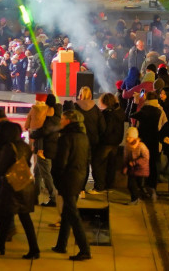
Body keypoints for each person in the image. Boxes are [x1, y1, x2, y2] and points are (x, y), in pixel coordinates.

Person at [0, 121, 39, 259]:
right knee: (24, 218)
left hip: (12, 187)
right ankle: (34, 249)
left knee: (5, 216)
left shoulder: (8, 147)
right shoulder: (25, 145)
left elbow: (1, 167)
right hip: (25, 185)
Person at [51, 110, 91, 261]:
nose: (61, 121)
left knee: (73, 215)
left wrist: (57, 179)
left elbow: (61, 162)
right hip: (79, 178)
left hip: (68, 179)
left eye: (63, 119)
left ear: (68, 121)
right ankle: (61, 244)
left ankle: (85, 249)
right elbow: (87, 160)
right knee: (68, 212)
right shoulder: (83, 137)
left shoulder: (66, 138)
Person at [92, 93, 124, 193]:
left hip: (106, 142)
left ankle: (99, 186)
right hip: (116, 142)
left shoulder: (108, 114)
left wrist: (100, 137)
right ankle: (109, 185)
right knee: (111, 164)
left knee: (98, 163)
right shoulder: (119, 111)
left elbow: (107, 129)